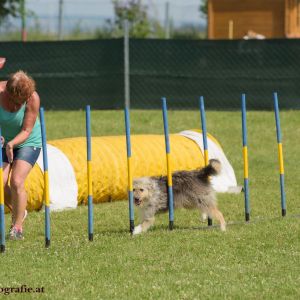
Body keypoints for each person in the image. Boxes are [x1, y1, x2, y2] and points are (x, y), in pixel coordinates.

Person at [0, 70, 42, 240]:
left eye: (21, 102)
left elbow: (26, 130)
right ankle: (19, 210)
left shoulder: (33, 98)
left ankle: (17, 228)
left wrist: (12, 144)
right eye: (15, 101)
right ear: (8, 93)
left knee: (16, 181)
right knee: (1, 182)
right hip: (3, 140)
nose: (17, 105)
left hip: (28, 141)